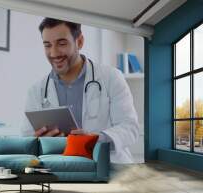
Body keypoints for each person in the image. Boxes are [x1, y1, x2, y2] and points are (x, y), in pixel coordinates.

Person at [21, 18, 139, 163]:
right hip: (63, 170)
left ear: (80, 41)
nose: (54, 53)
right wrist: (39, 141)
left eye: (62, 43)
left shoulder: (111, 77)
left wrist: (95, 140)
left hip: (110, 167)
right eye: (47, 45)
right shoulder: (36, 91)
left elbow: (130, 128)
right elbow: (27, 139)